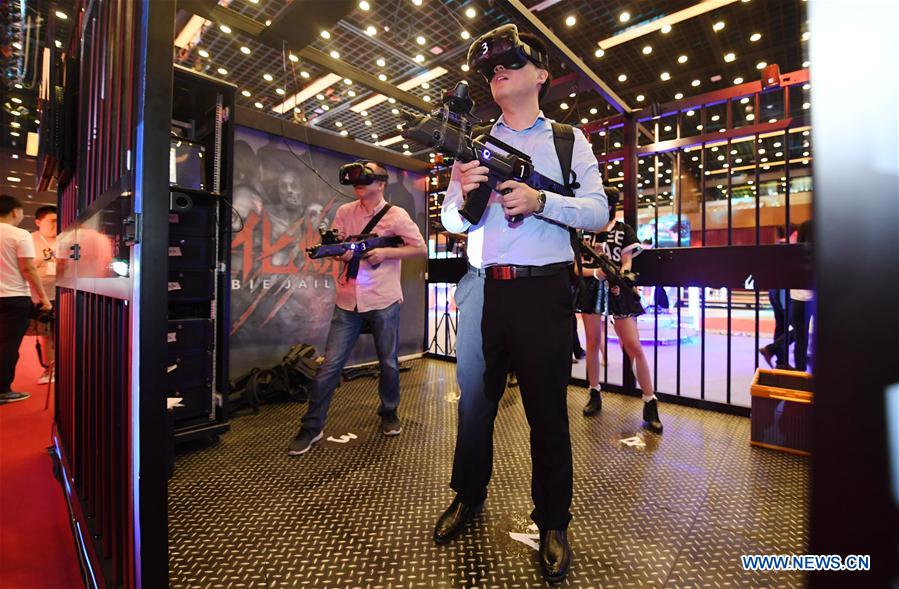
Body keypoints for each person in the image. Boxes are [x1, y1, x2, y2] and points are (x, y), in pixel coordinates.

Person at [435, 25, 608, 584]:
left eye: (511, 62)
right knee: (474, 408)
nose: (498, 72)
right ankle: (469, 494)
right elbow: (450, 220)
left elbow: (599, 210)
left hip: (542, 291)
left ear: (541, 76)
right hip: (483, 288)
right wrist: (463, 194)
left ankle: (553, 521)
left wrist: (542, 201)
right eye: (491, 69)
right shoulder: (473, 143)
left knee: (547, 412)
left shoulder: (568, 141)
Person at [287, 161, 426, 455]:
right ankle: (312, 426)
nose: (359, 182)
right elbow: (339, 250)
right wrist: (342, 254)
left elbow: (420, 248)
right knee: (329, 366)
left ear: (381, 183)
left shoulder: (397, 215)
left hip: (383, 299)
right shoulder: (344, 212)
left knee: (388, 362)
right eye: (356, 178)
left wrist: (384, 253)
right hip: (348, 300)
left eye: (366, 177)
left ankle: (389, 412)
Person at [579, 188, 663, 433]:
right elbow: (577, 268)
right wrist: (596, 273)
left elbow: (627, 263)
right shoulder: (584, 231)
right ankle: (594, 391)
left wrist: (620, 279)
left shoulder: (623, 230)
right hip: (592, 290)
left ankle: (649, 401)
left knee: (633, 346)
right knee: (592, 342)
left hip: (618, 290)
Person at [0, 195, 52, 404]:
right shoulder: (20, 234)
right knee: (7, 345)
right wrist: (44, 298)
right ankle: (3, 390)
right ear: (15, 211)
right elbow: (28, 269)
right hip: (13, 298)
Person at [759, 224, 797, 369]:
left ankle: (781, 362)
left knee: (780, 327)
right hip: (784, 292)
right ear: (794, 234)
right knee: (800, 327)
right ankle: (772, 349)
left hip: (774, 291)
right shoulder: (790, 250)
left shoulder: (775, 248)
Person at [30, 205, 57, 384]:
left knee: (65, 333)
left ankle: (65, 366)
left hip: (64, 293)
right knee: (46, 334)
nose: (56, 225)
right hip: (40, 295)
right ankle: (48, 369)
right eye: (51, 221)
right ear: (38, 222)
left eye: (58, 221)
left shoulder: (66, 238)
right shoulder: (30, 240)